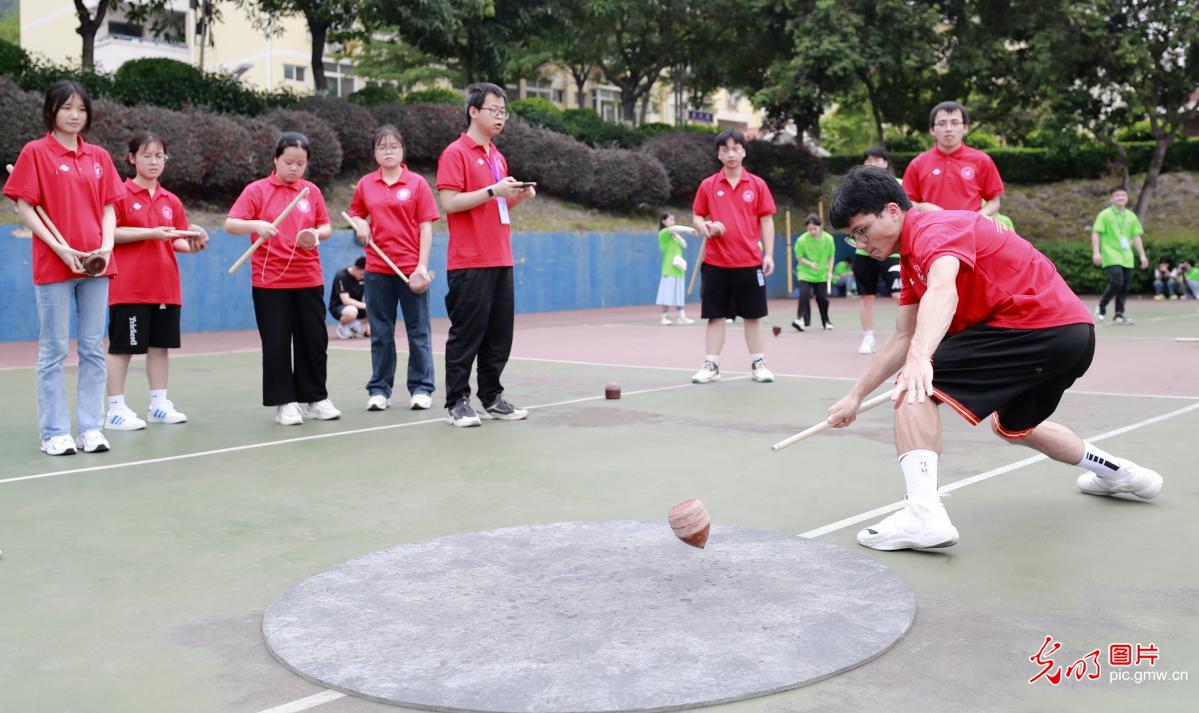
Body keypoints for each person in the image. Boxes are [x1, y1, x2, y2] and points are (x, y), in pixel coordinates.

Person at [826, 166, 1163, 552]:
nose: (860, 244)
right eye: (852, 238)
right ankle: (1122, 474)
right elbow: (903, 333)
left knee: (914, 387)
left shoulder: (934, 228)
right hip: (1071, 336)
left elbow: (943, 291)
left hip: (1032, 325)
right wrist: (855, 396)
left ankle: (923, 514)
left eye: (862, 231)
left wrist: (920, 361)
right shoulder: (912, 257)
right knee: (1015, 427)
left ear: (891, 210)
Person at [4, 80, 126, 455]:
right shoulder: (35, 152)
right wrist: (58, 246)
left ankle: (90, 427)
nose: (75, 116)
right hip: (54, 264)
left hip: (96, 264)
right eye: (66, 108)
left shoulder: (99, 157)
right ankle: (54, 431)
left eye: (81, 109)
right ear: (51, 112)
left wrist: (105, 248)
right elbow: (24, 205)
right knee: (54, 348)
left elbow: (109, 206)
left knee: (92, 347)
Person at [436, 82, 536, 427]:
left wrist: (514, 197)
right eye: (493, 110)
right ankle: (457, 401)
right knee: (467, 332)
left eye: (504, 111)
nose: (500, 117)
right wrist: (494, 189)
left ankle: (491, 395)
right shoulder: (455, 153)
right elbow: (449, 203)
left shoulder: (496, 155)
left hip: (501, 257)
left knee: (499, 334)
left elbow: (494, 206)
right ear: (473, 112)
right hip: (469, 260)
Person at [225, 132, 339, 426]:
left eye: (300, 163)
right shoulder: (257, 190)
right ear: (275, 159)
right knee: (276, 343)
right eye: (289, 162)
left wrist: (315, 235)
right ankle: (284, 403)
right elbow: (231, 224)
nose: (294, 168)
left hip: (308, 276)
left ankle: (316, 398)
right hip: (270, 281)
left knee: (313, 340)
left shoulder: (311, 192)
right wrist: (256, 224)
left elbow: (325, 226)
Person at [105, 131, 209, 432]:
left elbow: (176, 241)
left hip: (165, 286)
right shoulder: (119, 195)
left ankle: (158, 404)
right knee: (122, 348)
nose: (154, 161)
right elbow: (109, 235)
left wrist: (194, 242)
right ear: (132, 158)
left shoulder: (171, 200)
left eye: (159, 156)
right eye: (147, 155)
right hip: (129, 286)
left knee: (160, 347)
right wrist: (151, 233)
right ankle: (114, 410)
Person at [347, 124, 439, 412]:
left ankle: (421, 388)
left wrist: (422, 267)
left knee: (418, 331)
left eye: (394, 146)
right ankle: (379, 389)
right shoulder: (365, 185)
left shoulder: (417, 184)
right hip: (377, 270)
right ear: (375, 152)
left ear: (402, 151)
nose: (388, 151)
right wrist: (361, 225)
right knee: (381, 332)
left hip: (411, 270)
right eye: (382, 146)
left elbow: (426, 227)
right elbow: (355, 214)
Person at [690, 130, 776, 384]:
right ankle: (711, 365)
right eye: (725, 149)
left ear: (743, 151)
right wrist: (704, 226)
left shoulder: (758, 185)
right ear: (718, 154)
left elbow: (767, 220)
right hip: (715, 263)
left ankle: (758, 363)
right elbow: (696, 216)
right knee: (715, 316)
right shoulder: (708, 185)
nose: (731, 154)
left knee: (753, 316)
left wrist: (768, 254)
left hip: (749, 262)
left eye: (735, 148)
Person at [901, 101, 1005, 215]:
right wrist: (921, 206)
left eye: (955, 123)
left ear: (965, 128)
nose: (948, 128)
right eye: (941, 124)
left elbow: (994, 201)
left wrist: (976, 218)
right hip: (932, 229)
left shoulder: (982, 160)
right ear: (932, 130)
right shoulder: (918, 164)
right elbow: (905, 203)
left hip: (971, 230)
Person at [853, 147, 903, 354]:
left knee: (899, 294)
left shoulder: (898, 184)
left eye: (877, 159)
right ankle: (868, 337)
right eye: (868, 160)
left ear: (885, 163)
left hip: (891, 250)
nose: (872, 163)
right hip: (865, 252)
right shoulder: (855, 190)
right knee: (867, 296)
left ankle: (909, 334)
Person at [1091, 186, 1148, 324]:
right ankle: (1102, 305)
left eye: (1123, 195)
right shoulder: (1105, 215)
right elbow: (1096, 233)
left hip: (1127, 256)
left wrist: (1142, 255)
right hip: (1111, 254)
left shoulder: (1131, 216)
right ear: (1111, 198)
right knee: (1117, 281)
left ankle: (1119, 314)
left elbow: (1136, 237)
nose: (1121, 197)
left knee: (1125, 286)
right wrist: (1096, 252)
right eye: (1117, 195)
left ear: (1127, 198)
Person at [792, 213, 835, 331]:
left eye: (814, 228)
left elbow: (831, 256)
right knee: (804, 294)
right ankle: (800, 319)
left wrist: (830, 272)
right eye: (809, 229)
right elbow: (799, 257)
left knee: (822, 298)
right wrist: (810, 264)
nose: (812, 231)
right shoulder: (802, 240)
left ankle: (826, 321)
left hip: (821, 275)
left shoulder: (828, 239)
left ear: (820, 226)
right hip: (805, 272)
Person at [655, 212, 695, 325]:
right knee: (667, 294)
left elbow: (684, 244)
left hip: (679, 269)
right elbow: (675, 228)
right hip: (669, 269)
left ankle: (681, 317)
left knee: (679, 294)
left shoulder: (674, 236)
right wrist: (690, 230)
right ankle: (664, 317)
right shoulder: (663, 233)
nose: (673, 222)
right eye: (670, 220)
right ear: (664, 221)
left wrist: (677, 235)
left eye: (673, 220)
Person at [329, 256, 368, 340]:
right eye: (362, 274)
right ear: (356, 269)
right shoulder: (341, 276)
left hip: (357, 307)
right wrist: (365, 306)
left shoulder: (363, 277)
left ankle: (354, 325)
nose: (363, 277)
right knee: (352, 311)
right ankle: (342, 327)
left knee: (376, 309)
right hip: (339, 307)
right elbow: (345, 300)